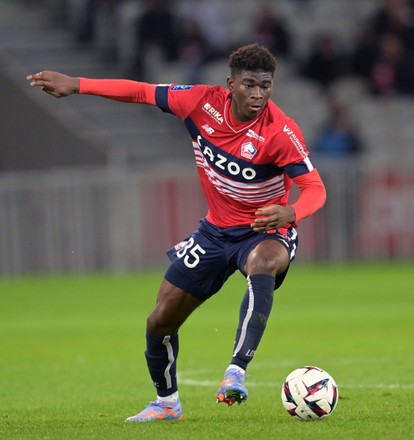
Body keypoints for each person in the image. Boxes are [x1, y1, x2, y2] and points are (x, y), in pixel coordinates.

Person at [26, 43, 326, 422]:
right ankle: (166, 404)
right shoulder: (200, 103)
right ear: (230, 83)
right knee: (160, 320)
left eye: (265, 86)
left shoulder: (280, 131)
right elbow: (140, 91)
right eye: (249, 85)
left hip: (264, 229)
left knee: (263, 263)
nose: (258, 94)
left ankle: (236, 371)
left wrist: (291, 210)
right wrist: (77, 84)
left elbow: (316, 188)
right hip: (215, 231)